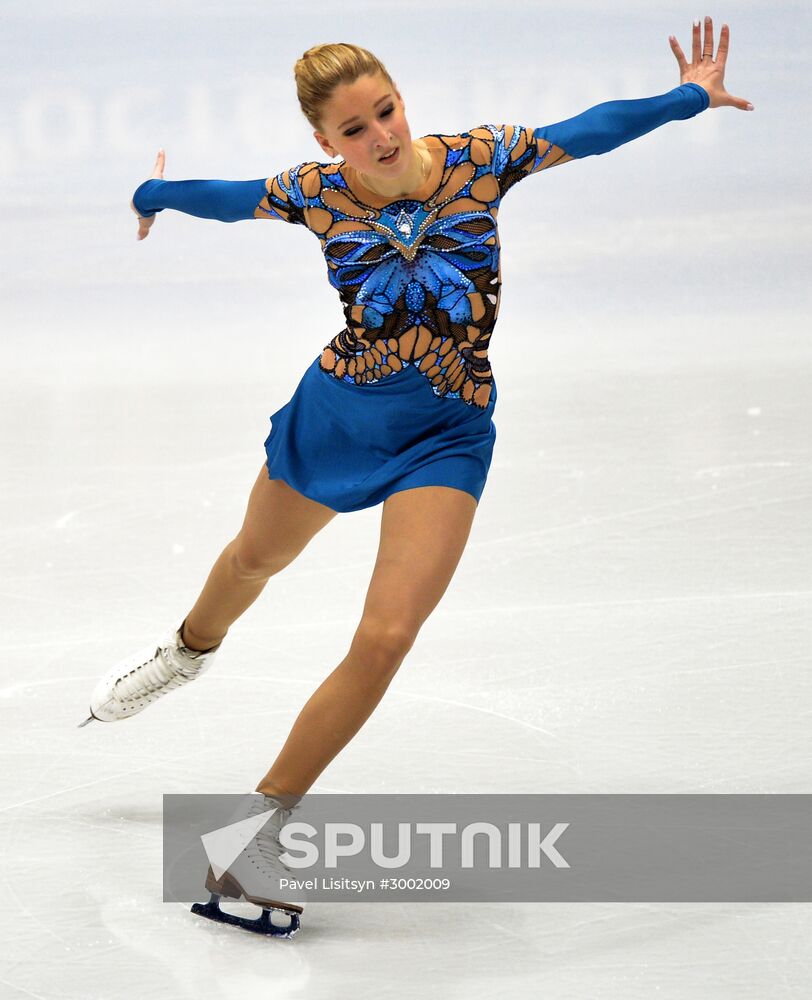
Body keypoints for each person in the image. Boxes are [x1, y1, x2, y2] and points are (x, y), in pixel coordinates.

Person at [81, 21, 752, 933]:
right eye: (355, 130)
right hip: (340, 417)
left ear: (401, 97)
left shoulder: (483, 159)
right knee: (252, 561)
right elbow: (224, 198)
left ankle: (253, 837)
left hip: (447, 429)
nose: (381, 137)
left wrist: (688, 98)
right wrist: (150, 192)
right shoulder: (314, 192)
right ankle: (185, 654)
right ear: (326, 141)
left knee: (389, 633)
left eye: (386, 111)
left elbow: (590, 129)